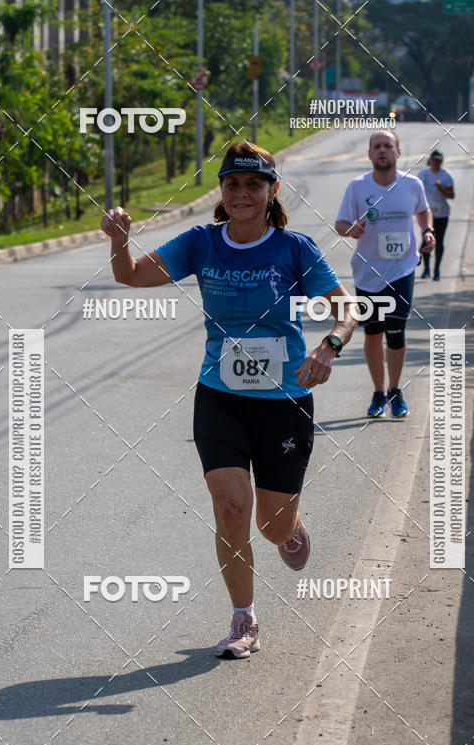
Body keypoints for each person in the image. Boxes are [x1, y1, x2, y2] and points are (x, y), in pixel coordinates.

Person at [100, 141, 358, 659]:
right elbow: (129, 274)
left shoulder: (295, 249)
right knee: (229, 507)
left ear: (271, 191)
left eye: (253, 184)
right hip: (219, 396)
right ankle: (244, 620)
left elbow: (346, 307)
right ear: (222, 191)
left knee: (270, 524)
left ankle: (290, 527)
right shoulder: (201, 242)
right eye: (233, 184)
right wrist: (120, 240)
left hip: (284, 400)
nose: (242, 193)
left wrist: (330, 345)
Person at [334, 130, 436, 419]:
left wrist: (427, 231)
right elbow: (340, 223)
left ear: (398, 152)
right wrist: (349, 229)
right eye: (376, 147)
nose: (382, 151)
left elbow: (423, 212)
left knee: (395, 331)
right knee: (372, 333)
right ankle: (379, 392)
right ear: (369, 154)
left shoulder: (413, 185)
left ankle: (395, 389)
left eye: (387, 146)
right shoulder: (357, 187)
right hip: (368, 272)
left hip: (402, 269)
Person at [417, 149, 455, 281]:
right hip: (427, 214)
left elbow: (452, 195)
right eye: (434, 160)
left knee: (439, 242)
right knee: (425, 241)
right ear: (430, 160)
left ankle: (437, 270)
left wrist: (440, 189)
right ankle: (426, 269)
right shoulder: (423, 174)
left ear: (442, 162)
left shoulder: (446, 175)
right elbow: (416, 193)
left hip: (442, 214)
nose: (436, 163)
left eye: (439, 161)